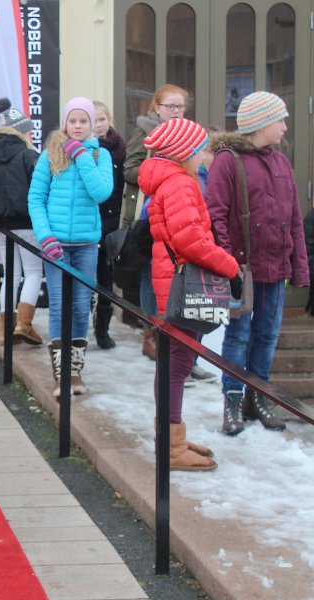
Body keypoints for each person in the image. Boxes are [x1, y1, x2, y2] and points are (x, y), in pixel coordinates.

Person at [206, 91, 310, 435]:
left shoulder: (281, 161)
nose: (284, 127)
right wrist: (227, 264)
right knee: (238, 335)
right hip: (242, 270)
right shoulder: (227, 160)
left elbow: (294, 218)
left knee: (267, 334)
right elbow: (215, 215)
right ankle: (233, 401)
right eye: (280, 120)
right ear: (261, 123)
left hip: (275, 269)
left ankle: (259, 397)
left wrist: (299, 267)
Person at [139, 118, 240, 471]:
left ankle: (171, 437)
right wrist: (231, 268)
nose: (204, 155)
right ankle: (171, 447)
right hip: (181, 284)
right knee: (177, 364)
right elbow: (190, 241)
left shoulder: (170, 180)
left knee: (175, 363)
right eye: (200, 149)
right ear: (184, 152)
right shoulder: (180, 183)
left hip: (172, 280)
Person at [28, 97, 114, 398]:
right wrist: (46, 237)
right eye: (72, 121)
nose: (77, 126)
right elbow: (35, 199)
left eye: (83, 121)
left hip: (86, 245)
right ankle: (62, 376)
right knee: (59, 306)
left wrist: (81, 156)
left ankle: (75, 372)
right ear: (65, 123)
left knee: (80, 306)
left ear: (92, 123)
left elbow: (102, 192)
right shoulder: (50, 155)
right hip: (56, 245)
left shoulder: (100, 155)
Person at [121, 85, 189, 357]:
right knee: (151, 275)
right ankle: (151, 334)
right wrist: (160, 170)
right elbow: (129, 170)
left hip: (177, 211)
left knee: (173, 275)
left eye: (180, 106)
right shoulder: (145, 132)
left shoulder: (186, 134)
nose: (176, 111)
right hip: (149, 213)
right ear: (156, 108)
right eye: (170, 106)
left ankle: (172, 334)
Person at [0, 97, 43, 346]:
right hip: (27, 224)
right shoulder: (29, 155)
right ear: (21, 131)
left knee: (10, 276)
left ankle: (6, 330)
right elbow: (41, 187)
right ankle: (23, 325)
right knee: (33, 272)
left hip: (0, 227)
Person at [92, 100, 126, 350]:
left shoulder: (120, 147)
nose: (99, 125)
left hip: (114, 219)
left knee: (107, 276)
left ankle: (102, 329)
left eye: (102, 119)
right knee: (84, 276)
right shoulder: (84, 149)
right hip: (90, 217)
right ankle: (79, 326)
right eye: (94, 120)